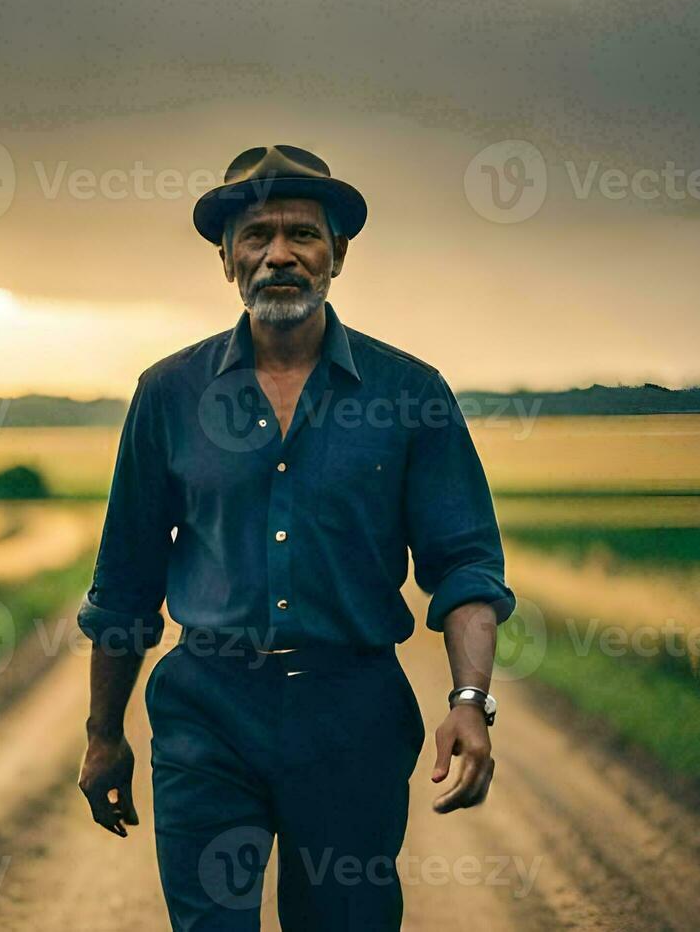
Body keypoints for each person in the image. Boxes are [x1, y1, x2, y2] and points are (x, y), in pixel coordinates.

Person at [75, 144, 516, 930]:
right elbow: (125, 584)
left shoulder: (408, 393)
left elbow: (467, 566)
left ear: (337, 254)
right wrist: (103, 735)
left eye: (302, 235)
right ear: (227, 258)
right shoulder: (169, 394)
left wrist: (470, 701)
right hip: (206, 712)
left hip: (351, 713)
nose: (279, 254)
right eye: (257, 236)